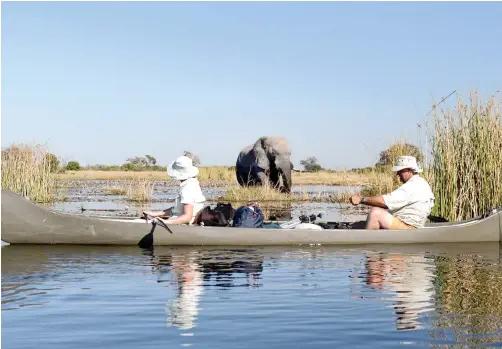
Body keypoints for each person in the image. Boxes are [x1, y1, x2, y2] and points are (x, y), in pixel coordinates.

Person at [350, 156, 434, 230]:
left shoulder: (412, 186)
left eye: (400, 171)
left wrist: (362, 199)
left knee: (375, 213)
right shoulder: (421, 182)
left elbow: (384, 202)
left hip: (409, 228)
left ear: (409, 170)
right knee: (360, 224)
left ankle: (366, 245)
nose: (397, 174)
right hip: (410, 225)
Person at [143, 155, 206, 225]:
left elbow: (187, 217)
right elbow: (176, 210)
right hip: (179, 220)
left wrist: (166, 222)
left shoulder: (188, 189)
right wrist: (155, 214)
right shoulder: (193, 183)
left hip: (184, 224)